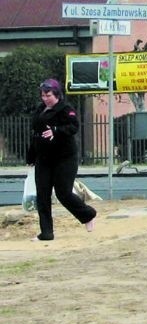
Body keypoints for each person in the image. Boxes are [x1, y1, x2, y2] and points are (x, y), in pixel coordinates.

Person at [26, 79, 96, 241]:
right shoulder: (40, 110)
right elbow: (35, 134)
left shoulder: (65, 109)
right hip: (43, 159)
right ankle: (46, 233)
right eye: (43, 95)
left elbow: (74, 127)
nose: (45, 98)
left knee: (63, 193)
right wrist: (31, 156)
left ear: (57, 94)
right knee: (42, 196)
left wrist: (56, 131)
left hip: (64, 158)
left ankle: (88, 214)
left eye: (48, 95)